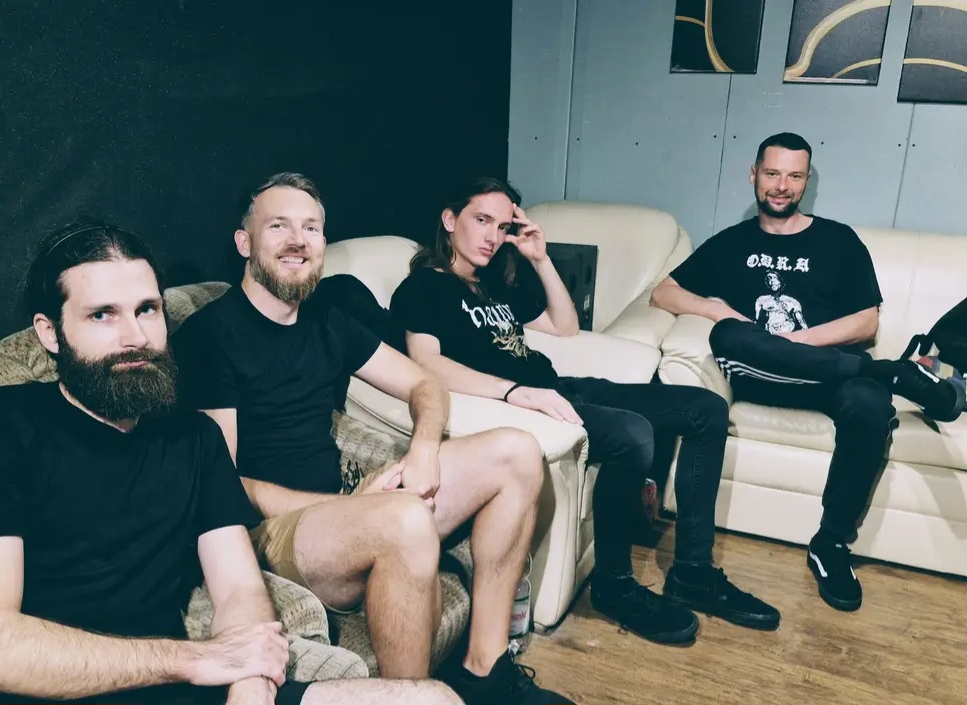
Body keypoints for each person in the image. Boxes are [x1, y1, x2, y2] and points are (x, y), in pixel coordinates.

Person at [0, 221, 462, 705]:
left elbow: (238, 589)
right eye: (102, 315)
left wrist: (250, 682)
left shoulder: (194, 438)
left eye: (147, 310)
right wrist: (200, 660)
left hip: (167, 692)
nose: (135, 337)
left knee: (429, 698)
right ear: (51, 332)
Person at [172, 173, 572, 705]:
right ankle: (412, 697)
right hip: (269, 533)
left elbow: (424, 384)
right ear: (245, 242)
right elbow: (222, 486)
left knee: (517, 452)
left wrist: (424, 448)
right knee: (402, 519)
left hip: (347, 508)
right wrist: (350, 508)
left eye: (311, 228)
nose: (298, 240)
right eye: (279, 226)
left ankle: (485, 668)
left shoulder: (325, 318)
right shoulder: (211, 336)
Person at [388, 177, 779, 647]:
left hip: (560, 388)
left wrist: (540, 259)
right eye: (482, 220)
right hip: (523, 405)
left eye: (503, 226)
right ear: (450, 220)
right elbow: (426, 364)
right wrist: (513, 392)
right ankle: (614, 586)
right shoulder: (425, 287)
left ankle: (693, 572)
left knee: (707, 409)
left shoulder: (492, 282)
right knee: (633, 434)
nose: (492, 236)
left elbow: (565, 325)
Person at [650, 132, 965, 612]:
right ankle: (889, 373)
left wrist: (792, 344)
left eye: (794, 176)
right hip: (759, 373)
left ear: (806, 180)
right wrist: (720, 312)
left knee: (869, 402)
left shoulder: (839, 240)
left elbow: (866, 322)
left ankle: (831, 544)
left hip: (828, 377)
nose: (782, 186)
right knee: (728, 336)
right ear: (753, 175)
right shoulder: (731, 243)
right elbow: (663, 293)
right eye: (772, 173)